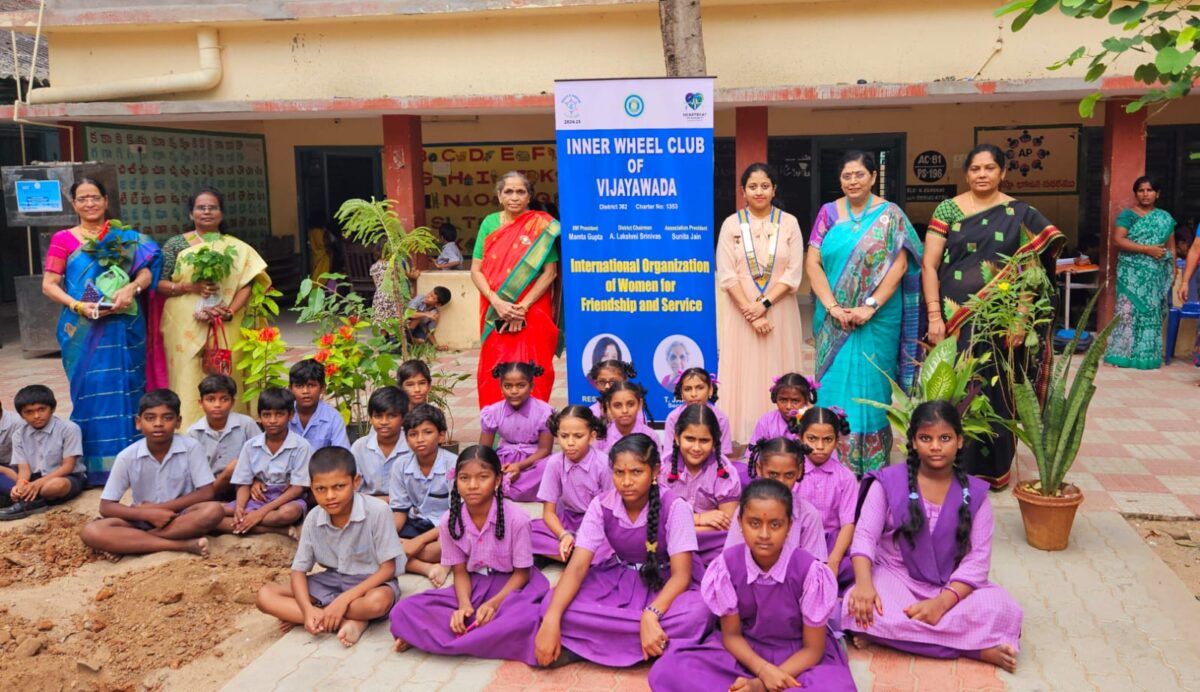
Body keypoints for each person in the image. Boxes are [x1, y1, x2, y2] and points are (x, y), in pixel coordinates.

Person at [923, 144, 1064, 488]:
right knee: (952, 389)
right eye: (975, 169)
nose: (982, 175)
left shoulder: (1021, 214)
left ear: (1003, 172)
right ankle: (948, 466)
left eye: (989, 168)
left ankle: (993, 470)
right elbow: (929, 264)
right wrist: (934, 316)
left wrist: (1021, 318)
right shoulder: (948, 209)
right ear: (966, 173)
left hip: (1001, 321)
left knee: (998, 391)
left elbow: (1032, 272)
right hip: (953, 318)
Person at [845, 401, 1022, 673]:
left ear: (960, 441)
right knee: (856, 604)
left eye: (945, 438)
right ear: (914, 442)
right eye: (926, 438)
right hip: (895, 577)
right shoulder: (887, 482)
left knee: (1004, 609)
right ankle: (975, 650)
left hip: (950, 586)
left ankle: (888, 635)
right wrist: (865, 585)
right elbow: (865, 536)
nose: (936, 446)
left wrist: (941, 604)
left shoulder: (975, 495)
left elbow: (977, 562)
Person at [648, 479, 856, 692]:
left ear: (789, 526)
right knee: (667, 670)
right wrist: (763, 670)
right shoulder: (726, 567)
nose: (764, 535)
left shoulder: (810, 572)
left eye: (775, 525)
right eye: (754, 523)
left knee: (837, 687)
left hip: (798, 657)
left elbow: (813, 649)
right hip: (744, 653)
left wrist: (760, 685)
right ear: (740, 523)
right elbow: (731, 636)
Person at [534, 434, 709, 668]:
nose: (626, 482)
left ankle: (590, 645)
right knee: (551, 604)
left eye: (636, 472)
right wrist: (552, 618)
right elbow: (577, 567)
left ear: (655, 471)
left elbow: (682, 575)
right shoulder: (601, 505)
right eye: (619, 473)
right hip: (618, 578)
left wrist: (651, 614)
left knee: (697, 613)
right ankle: (646, 644)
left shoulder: (675, 507)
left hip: (665, 581)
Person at [807, 152, 923, 476]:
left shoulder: (891, 215)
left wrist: (870, 306)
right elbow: (812, 262)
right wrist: (832, 306)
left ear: (873, 176)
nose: (853, 181)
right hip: (833, 320)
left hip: (878, 319)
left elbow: (901, 264)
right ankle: (830, 459)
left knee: (873, 387)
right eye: (847, 176)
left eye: (859, 174)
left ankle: (871, 465)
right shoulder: (828, 213)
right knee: (832, 387)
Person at [42, 178, 162, 484]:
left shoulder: (125, 237)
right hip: (82, 329)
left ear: (106, 200)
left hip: (124, 326)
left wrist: (132, 288)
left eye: (95, 197)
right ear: (74, 204)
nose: (89, 204)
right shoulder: (62, 239)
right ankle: (95, 466)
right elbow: (49, 284)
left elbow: (146, 271)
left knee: (130, 387)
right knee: (90, 391)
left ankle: (136, 461)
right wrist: (78, 305)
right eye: (82, 199)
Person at [389, 445, 547, 664]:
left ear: (497, 480)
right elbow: (460, 572)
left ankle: (430, 637)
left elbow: (522, 574)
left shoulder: (517, 519)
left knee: (524, 620)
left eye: (482, 477)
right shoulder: (450, 520)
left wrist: (493, 604)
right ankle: (467, 636)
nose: (472, 485)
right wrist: (463, 605)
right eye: (464, 478)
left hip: (513, 586)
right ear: (456, 481)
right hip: (473, 586)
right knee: (403, 610)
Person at [256, 447, 403, 648]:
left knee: (377, 603)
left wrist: (342, 601)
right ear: (311, 488)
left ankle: (324, 615)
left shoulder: (378, 511)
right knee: (265, 596)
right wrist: (307, 609)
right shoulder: (313, 518)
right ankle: (345, 622)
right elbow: (298, 571)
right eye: (321, 489)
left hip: (370, 582)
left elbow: (388, 569)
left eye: (339, 486)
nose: (330, 496)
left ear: (356, 482)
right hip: (331, 582)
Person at [156, 187, 270, 425]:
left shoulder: (236, 247)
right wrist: (190, 287)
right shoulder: (176, 245)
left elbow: (247, 284)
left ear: (221, 213)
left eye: (212, 207)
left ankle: (233, 428)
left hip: (226, 325)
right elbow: (160, 284)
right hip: (185, 326)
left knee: (229, 373)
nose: (206, 212)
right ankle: (187, 428)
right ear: (191, 213)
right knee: (187, 377)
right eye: (201, 208)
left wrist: (229, 311)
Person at [716, 163, 807, 444]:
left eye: (765, 186)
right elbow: (727, 275)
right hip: (741, 314)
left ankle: (784, 436)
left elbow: (793, 273)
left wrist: (763, 304)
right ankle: (744, 439)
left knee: (778, 370)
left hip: (779, 312)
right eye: (752, 186)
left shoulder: (789, 223)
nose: (759, 191)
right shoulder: (731, 224)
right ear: (743, 191)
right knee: (744, 375)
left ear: (774, 190)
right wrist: (752, 313)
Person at [78, 389, 224, 558]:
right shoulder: (127, 456)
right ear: (138, 422)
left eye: (167, 418)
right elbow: (106, 506)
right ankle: (181, 545)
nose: (158, 424)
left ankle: (133, 542)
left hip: (180, 516)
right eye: (150, 418)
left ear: (178, 422)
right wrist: (147, 514)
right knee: (92, 531)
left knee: (213, 511)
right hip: (141, 519)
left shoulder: (191, 447)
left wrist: (159, 509)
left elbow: (206, 492)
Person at [470, 171, 560, 408]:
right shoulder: (489, 223)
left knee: (534, 364)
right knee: (496, 364)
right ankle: (497, 422)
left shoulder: (541, 226)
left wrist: (522, 307)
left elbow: (550, 272)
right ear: (499, 196)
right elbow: (476, 270)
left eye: (520, 191)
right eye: (508, 191)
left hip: (533, 309)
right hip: (496, 310)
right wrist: (497, 302)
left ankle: (535, 421)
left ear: (529, 196)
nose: (514, 197)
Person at [217, 388, 312, 536]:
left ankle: (250, 520)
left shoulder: (301, 446)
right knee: (214, 514)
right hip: (257, 497)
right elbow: (243, 482)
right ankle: (275, 529)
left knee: (288, 513)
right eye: (266, 415)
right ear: (259, 416)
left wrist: (260, 513)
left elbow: (297, 489)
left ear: (291, 415)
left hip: (285, 499)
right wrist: (240, 508)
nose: (272, 420)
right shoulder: (250, 445)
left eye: (279, 414)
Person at [1105, 176, 1177, 369]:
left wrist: (1172, 270)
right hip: (1131, 273)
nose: (1145, 194)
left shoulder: (1165, 218)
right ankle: (1121, 355)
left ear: (1157, 194)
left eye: (1149, 190)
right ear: (1136, 194)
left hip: (1155, 274)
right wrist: (1147, 249)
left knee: (1150, 313)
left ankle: (1147, 357)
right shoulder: (1127, 215)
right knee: (1127, 312)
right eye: (1141, 190)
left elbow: (1171, 247)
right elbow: (1118, 240)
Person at [660, 404, 741, 564]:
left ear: (715, 442)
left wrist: (679, 529)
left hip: (712, 544)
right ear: (677, 438)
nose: (696, 448)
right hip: (668, 545)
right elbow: (658, 520)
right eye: (690, 439)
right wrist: (699, 518)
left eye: (704, 441)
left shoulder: (724, 472)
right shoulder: (662, 468)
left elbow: (726, 526)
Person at [530, 406, 613, 562]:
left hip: (598, 523)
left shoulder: (603, 464)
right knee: (525, 531)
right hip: (567, 520)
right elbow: (548, 513)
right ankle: (577, 557)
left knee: (610, 545)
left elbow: (611, 513)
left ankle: (567, 555)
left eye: (578, 436)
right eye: (564, 436)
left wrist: (585, 536)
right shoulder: (554, 463)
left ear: (592, 436)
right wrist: (564, 535)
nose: (570, 443)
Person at [729, 437, 828, 562]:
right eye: (773, 474)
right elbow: (731, 560)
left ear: (799, 471)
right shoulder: (745, 510)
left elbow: (814, 565)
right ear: (759, 469)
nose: (781, 482)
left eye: (789, 475)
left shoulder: (808, 515)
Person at [790, 407, 858, 585]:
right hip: (796, 541)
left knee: (857, 565)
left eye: (827, 439)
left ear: (836, 441)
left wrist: (834, 561)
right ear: (800, 438)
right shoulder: (791, 473)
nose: (820, 447)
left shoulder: (846, 478)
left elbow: (848, 524)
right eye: (812, 439)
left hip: (833, 544)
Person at [389, 404, 456, 586]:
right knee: (378, 546)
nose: (420, 439)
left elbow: (457, 516)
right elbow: (399, 510)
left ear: (441, 435)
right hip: (416, 522)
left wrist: (417, 542)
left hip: (446, 526)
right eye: (413, 434)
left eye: (427, 432)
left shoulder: (454, 466)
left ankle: (408, 557)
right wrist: (389, 536)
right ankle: (428, 568)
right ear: (406, 439)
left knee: (440, 548)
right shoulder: (400, 465)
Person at [0, 385, 85, 521]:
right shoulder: (18, 435)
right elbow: (24, 470)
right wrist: (21, 485)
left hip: (65, 476)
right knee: (19, 486)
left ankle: (29, 501)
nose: (36, 416)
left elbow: (68, 466)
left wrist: (38, 483)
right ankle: (32, 500)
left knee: (54, 486)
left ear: (52, 408)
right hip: (34, 478)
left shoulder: (69, 429)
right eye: (29, 412)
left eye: (41, 409)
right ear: (21, 415)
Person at [479, 361, 555, 502]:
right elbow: (484, 449)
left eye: (521, 385)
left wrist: (519, 466)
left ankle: (502, 487)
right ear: (501, 387)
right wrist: (497, 467)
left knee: (553, 464)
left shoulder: (544, 412)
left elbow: (545, 449)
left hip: (533, 462)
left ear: (531, 386)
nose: (514, 391)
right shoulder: (492, 412)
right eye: (508, 386)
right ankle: (506, 483)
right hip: (504, 462)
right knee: (479, 465)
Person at [186, 374, 261, 500]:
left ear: (232, 402)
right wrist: (226, 474)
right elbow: (194, 475)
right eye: (210, 399)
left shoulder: (246, 424)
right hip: (210, 491)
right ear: (200, 403)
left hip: (244, 486)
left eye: (224, 399)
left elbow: (262, 455)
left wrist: (258, 480)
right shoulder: (194, 433)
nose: (217, 405)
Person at [351, 386, 409, 500]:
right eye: (378, 416)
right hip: (367, 506)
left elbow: (416, 493)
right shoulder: (359, 447)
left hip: (405, 507)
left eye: (391, 416)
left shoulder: (413, 446)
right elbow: (353, 490)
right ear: (371, 418)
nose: (384, 422)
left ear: (403, 418)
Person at [661, 368, 732, 461]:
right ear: (681, 392)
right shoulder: (673, 418)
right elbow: (668, 455)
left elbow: (724, 456)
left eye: (700, 388)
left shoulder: (721, 419)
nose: (694, 394)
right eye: (687, 389)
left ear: (710, 390)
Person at [288, 359, 351, 451]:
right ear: (290, 389)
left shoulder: (333, 418)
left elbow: (342, 453)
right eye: (299, 386)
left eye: (311, 385)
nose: (305, 391)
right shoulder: (283, 414)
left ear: (322, 388)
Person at [746, 372, 817, 449]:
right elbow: (753, 452)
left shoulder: (815, 422)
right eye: (783, 400)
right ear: (775, 398)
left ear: (806, 400)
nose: (788, 407)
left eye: (795, 401)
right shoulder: (766, 421)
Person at [594, 381, 656, 455]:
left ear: (640, 404)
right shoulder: (601, 437)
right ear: (608, 407)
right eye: (617, 405)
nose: (624, 410)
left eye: (630, 404)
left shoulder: (650, 435)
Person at [406, 286, 451, 350]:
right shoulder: (420, 298)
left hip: (416, 330)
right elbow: (408, 314)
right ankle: (406, 338)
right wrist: (425, 314)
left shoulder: (434, 313)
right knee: (418, 317)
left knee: (422, 341)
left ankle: (410, 340)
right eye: (430, 293)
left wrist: (436, 346)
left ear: (438, 305)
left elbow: (429, 331)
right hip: (405, 325)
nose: (428, 296)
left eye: (432, 297)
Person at [307, 212, 333, 284]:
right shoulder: (323, 233)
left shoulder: (310, 232)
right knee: (323, 278)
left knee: (315, 275)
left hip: (314, 257)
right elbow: (327, 244)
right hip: (324, 258)